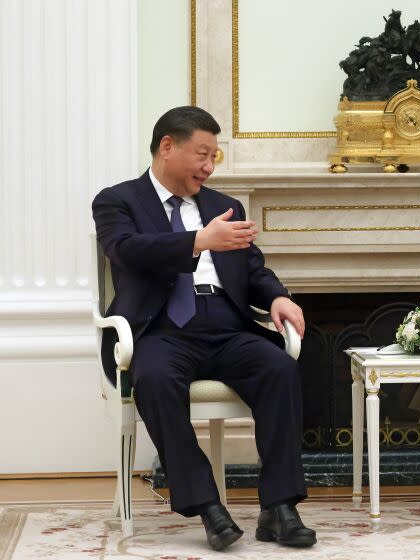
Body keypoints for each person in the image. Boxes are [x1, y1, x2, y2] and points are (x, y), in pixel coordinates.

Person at [92, 106, 316, 551]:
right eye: (203, 153)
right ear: (168, 147)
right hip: (158, 331)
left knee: (280, 370)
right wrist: (198, 241)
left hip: (227, 327)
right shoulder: (118, 200)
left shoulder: (222, 206)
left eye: (215, 157)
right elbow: (128, 250)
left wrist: (277, 296)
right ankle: (206, 506)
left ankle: (279, 508)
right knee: (154, 380)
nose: (209, 167)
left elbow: (253, 269)